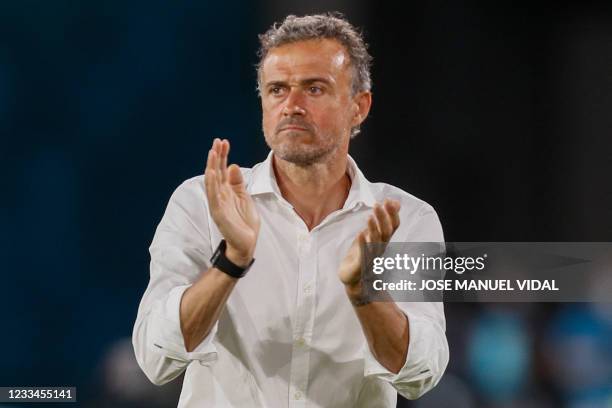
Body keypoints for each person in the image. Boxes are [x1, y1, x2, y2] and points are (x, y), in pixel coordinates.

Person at [132, 13, 448, 408]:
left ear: (359, 107)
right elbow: (156, 358)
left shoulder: (408, 220)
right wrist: (231, 261)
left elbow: (421, 375)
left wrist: (363, 293)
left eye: (314, 89)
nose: (292, 106)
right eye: (277, 89)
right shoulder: (200, 203)